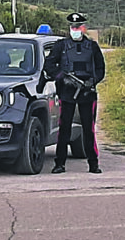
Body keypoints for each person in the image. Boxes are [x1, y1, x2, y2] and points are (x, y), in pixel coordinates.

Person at [42, 12, 106, 174]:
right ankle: (59, 164)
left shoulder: (92, 47)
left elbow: (100, 69)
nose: (75, 30)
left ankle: (93, 164)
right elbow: (49, 65)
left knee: (88, 129)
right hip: (67, 93)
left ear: (83, 28)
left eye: (78, 27)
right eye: (73, 27)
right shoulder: (61, 46)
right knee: (64, 129)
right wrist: (62, 78)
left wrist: (92, 81)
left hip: (87, 93)